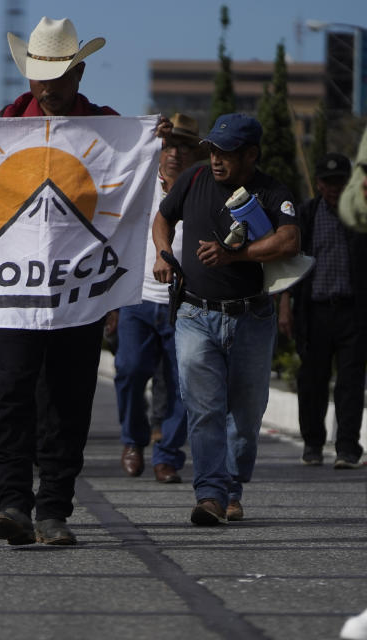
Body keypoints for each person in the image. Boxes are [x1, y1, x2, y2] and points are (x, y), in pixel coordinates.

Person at [0, 16, 160, 546]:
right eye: (38, 74)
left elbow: (126, 197)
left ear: (79, 72)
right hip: (14, 296)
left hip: (80, 295)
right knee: (11, 393)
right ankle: (11, 501)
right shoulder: (5, 123)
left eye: (57, 73)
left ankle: (54, 507)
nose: (47, 84)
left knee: (68, 398)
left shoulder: (107, 127)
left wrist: (150, 142)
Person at [153, 113, 300, 525]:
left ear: (250, 154)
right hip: (195, 314)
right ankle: (211, 495)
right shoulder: (194, 180)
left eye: (228, 153)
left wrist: (236, 255)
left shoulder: (271, 191)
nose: (216, 159)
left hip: (251, 317)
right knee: (203, 408)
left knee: (246, 415)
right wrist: (164, 253)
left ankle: (232, 486)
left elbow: (289, 240)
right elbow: (163, 217)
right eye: (213, 150)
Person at [113, 113, 201, 483]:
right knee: (130, 370)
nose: (175, 154)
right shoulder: (141, 185)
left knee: (185, 382)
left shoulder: (203, 192)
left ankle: (168, 454)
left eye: (184, 147)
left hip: (187, 303)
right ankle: (133, 440)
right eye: (169, 146)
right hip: (138, 298)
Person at [280, 153, 366, 469]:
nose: (334, 188)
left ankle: (347, 448)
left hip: (352, 313)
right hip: (314, 311)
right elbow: (290, 262)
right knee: (312, 381)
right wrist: (285, 305)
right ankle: (313, 444)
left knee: (351, 382)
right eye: (328, 182)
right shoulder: (305, 215)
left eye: (340, 182)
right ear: (318, 183)